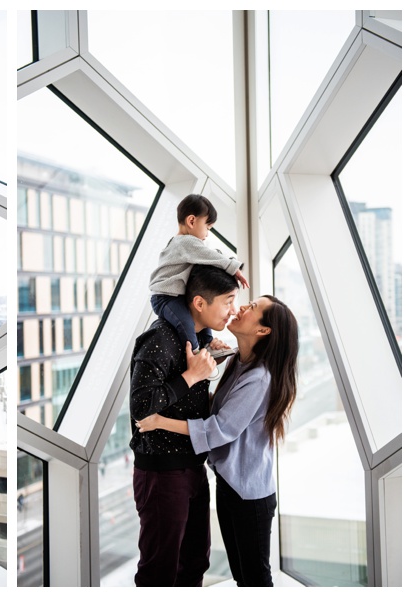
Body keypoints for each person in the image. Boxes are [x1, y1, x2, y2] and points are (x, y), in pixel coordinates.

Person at [136, 295, 298, 587]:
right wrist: (210, 358)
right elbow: (219, 408)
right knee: (241, 575)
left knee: (255, 580)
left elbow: (219, 429)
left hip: (250, 495)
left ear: (263, 331)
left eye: (252, 309)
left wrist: (159, 421)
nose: (241, 308)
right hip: (229, 485)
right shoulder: (238, 360)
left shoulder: (260, 378)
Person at [129, 264, 239, 587]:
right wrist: (191, 377)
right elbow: (140, 406)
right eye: (228, 301)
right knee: (158, 572)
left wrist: (209, 359)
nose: (232, 310)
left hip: (192, 466)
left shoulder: (199, 338)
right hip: (162, 472)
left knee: (195, 562)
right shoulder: (160, 338)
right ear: (200, 304)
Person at [149, 194, 249, 354]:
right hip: (165, 298)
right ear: (191, 221)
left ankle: (208, 344)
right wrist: (233, 267)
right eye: (207, 227)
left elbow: (209, 256)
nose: (207, 234)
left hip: (174, 295)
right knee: (186, 324)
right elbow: (210, 255)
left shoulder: (183, 244)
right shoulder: (185, 242)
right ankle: (195, 353)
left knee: (203, 321)